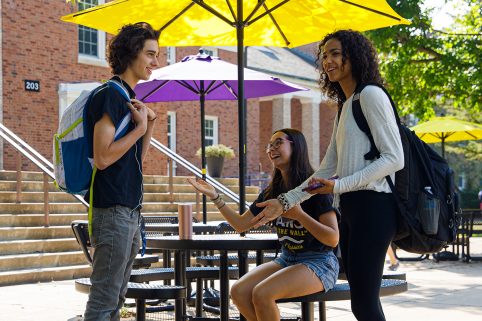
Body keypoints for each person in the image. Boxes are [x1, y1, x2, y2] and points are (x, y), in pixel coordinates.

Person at [251, 30, 404, 321]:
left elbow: (394, 158)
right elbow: (324, 170)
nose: (328, 61)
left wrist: (339, 185)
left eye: (335, 53)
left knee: (365, 302)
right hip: (352, 207)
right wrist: (284, 202)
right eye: (324, 56)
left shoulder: (371, 95)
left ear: (355, 56)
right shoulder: (346, 106)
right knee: (361, 302)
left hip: (375, 207)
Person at [188, 128, 339, 321]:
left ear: (297, 146)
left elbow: (333, 239)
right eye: (270, 145)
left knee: (262, 293)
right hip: (287, 259)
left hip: (319, 262)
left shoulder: (314, 187)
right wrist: (215, 197)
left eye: (278, 143)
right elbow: (241, 225)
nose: (271, 149)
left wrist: (300, 216)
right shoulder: (272, 191)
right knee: (239, 291)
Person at [83, 22, 160, 321]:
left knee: (116, 300)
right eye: (151, 54)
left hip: (128, 211)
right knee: (104, 300)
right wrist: (139, 126)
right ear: (131, 54)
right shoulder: (110, 95)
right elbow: (103, 158)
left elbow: (136, 157)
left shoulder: (127, 98)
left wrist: (148, 125)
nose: (156, 62)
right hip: (112, 209)